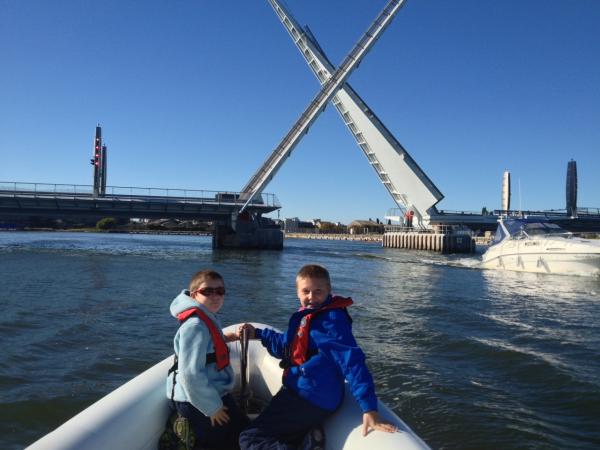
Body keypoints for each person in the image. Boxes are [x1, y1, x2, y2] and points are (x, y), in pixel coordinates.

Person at [239, 264, 396, 450]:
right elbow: (288, 347)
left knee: (249, 438)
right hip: (312, 391)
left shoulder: (330, 322)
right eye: (306, 291)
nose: (311, 297)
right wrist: (258, 333)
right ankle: (307, 440)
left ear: (329, 290)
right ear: (297, 292)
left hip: (309, 395)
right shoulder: (310, 316)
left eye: (318, 291)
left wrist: (369, 408)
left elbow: (352, 361)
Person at [166, 269, 249, 450]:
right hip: (197, 400)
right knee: (223, 442)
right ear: (195, 295)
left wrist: (229, 336)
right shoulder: (195, 325)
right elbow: (190, 374)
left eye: (220, 291)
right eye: (208, 292)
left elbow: (210, 341)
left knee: (242, 427)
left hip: (212, 391)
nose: (215, 296)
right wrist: (212, 408)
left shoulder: (205, 317)